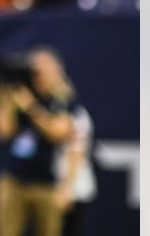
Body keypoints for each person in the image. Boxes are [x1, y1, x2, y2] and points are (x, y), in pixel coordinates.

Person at [0, 47, 76, 236]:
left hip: (47, 183)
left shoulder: (60, 99)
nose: (40, 74)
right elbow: (2, 131)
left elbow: (57, 132)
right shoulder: (19, 93)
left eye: (45, 68)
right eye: (35, 68)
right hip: (14, 179)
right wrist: (5, 99)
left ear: (57, 71)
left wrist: (30, 106)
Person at [56, 96, 97, 236]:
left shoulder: (75, 112)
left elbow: (76, 152)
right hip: (47, 186)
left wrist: (67, 187)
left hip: (73, 189)